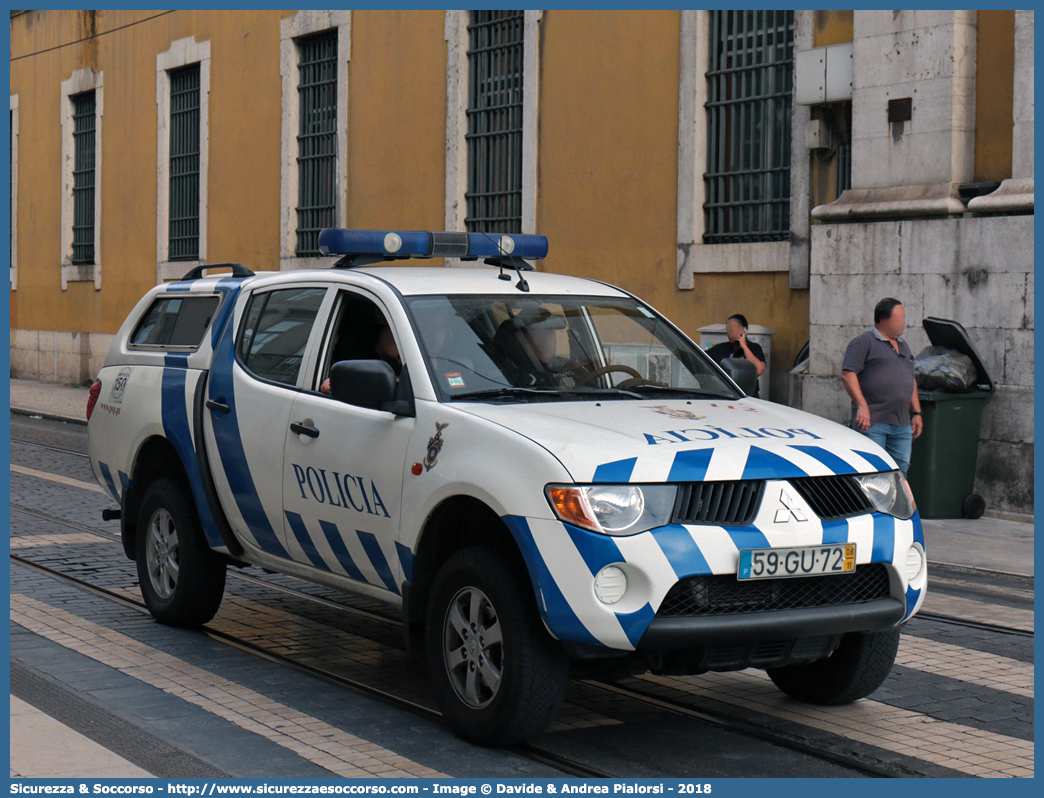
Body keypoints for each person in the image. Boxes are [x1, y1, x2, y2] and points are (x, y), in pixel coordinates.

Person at [841, 297, 923, 475]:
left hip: (901, 423)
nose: (904, 323)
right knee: (873, 472)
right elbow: (848, 374)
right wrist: (862, 406)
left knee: (900, 473)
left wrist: (917, 413)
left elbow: (910, 380)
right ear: (884, 319)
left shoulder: (904, 346)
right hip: (872, 421)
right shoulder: (863, 342)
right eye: (900, 318)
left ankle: (899, 504)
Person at [320, 325, 400, 394]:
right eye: (395, 343)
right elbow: (327, 386)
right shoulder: (378, 376)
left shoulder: (406, 381)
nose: (398, 350)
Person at [704, 314, 766, 397]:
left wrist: (744, 347)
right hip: (725, 395)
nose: (731, 333)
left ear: (744, 330)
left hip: (747, 396)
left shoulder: (753, 348)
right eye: (729, 330)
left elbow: (759, 370)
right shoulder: (720, 348)